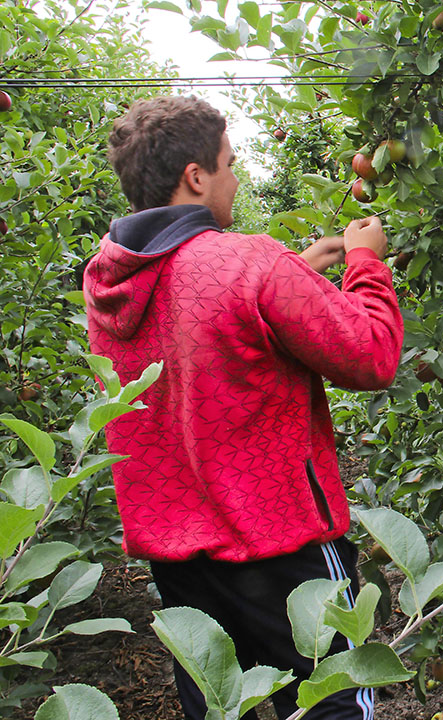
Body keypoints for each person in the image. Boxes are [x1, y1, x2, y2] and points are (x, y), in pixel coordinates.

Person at [82, 95, 403, 720]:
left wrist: (295, 274)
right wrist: (365, 263)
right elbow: (371, 357)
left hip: (178, 554)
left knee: (223, 704)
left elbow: (197, 332)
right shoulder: (249, 261)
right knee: (329, 699)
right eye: (229, 162)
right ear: (195, 177)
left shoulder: (109, 281)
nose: (236, 176)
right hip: (277, 542)